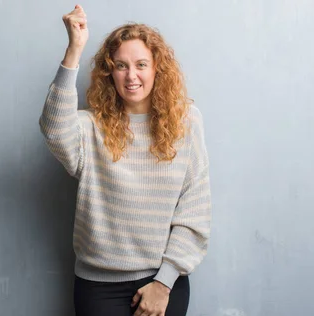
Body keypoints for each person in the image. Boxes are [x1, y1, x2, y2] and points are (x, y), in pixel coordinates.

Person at [39, 4, 212, 316]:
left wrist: (165, 282)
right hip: (98, 287)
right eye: (121, 66)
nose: (131, 75)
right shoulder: (90, 127)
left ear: (157, 68)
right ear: (110, 74)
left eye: (141, 64)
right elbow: (53, 129)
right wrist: (74, 49)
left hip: (164, 283)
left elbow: (195, 210)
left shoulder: (187, 123)